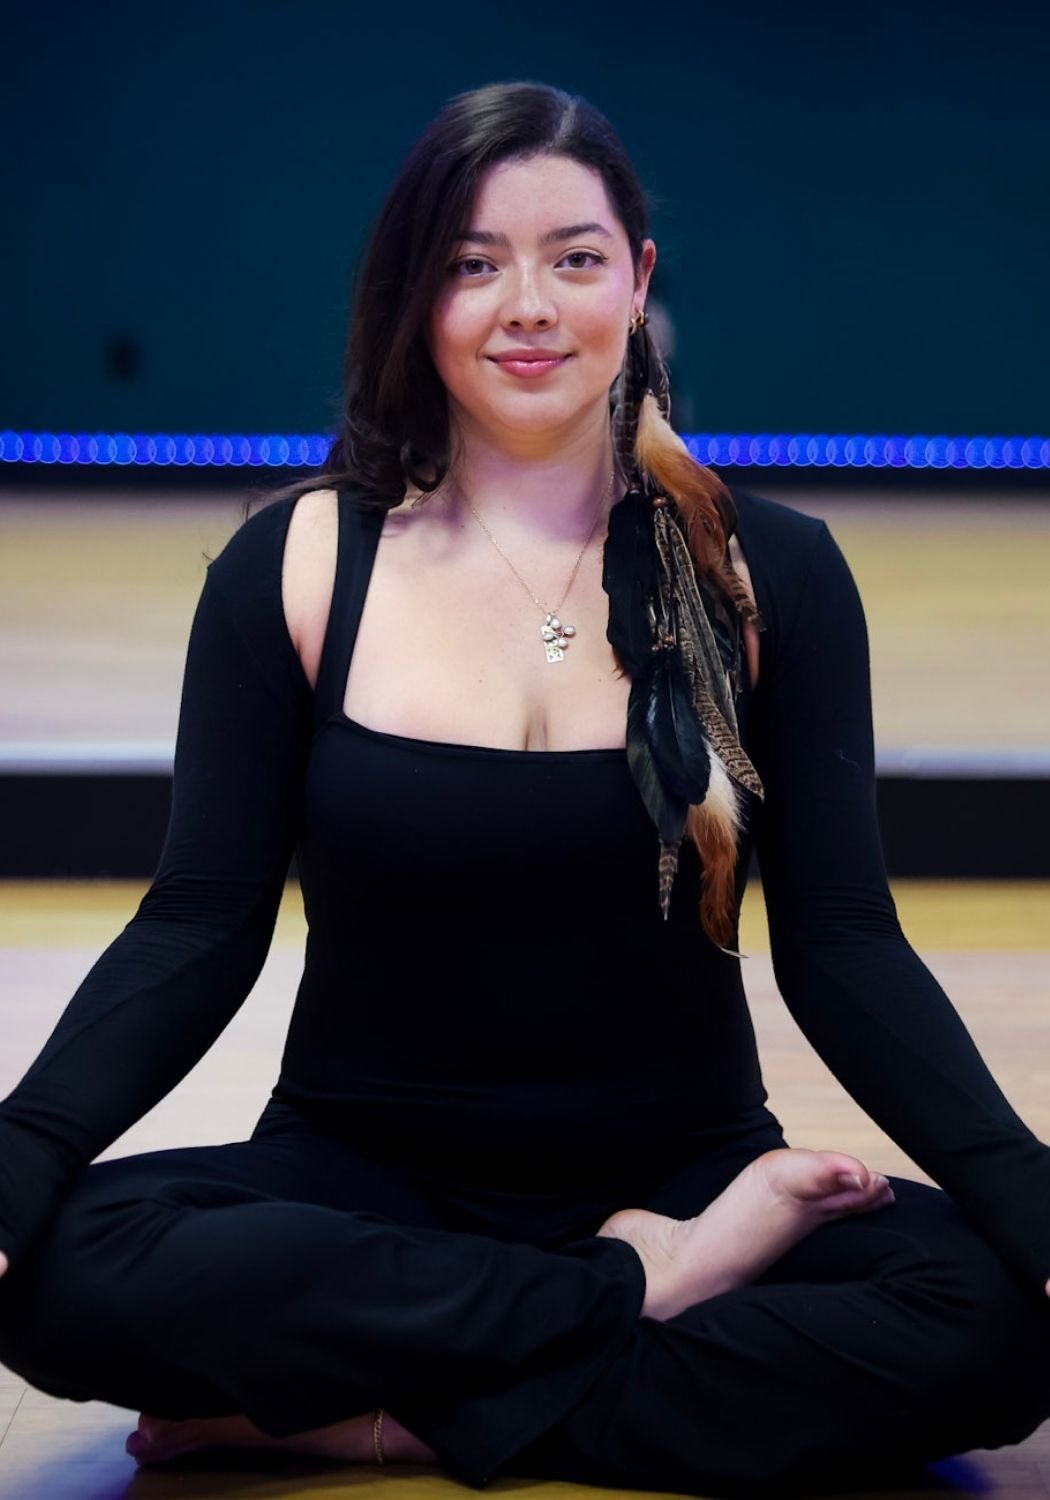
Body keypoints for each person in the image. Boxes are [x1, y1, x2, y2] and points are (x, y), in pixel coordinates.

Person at [1, 79, 1049, 1497]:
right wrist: (21, 1155)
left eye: (574, 257)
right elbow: (196, 922)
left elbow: (846, 945)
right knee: (64, 1270)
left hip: (680, 1164)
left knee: (987, 1324)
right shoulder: (298, 564)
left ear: (639, 281)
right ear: (415, 294)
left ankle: (384, 1417)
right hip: (359, 1183)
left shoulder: (774, 574)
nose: (529, 307)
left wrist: (1027, 1199)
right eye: (473, 264)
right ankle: (639, 1294)